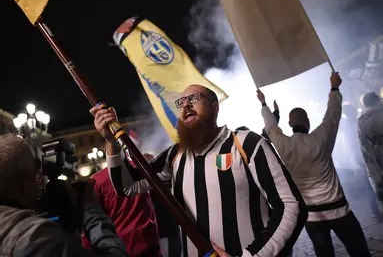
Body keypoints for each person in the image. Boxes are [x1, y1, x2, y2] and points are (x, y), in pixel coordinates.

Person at [91, 84, 308, 257]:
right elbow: (126, 186)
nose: (186, 105)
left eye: (195, 99)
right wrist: (111, 142)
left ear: (215, 107)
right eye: (182, 102)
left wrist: (254, 255)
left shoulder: (247, 144)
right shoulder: (173, 155)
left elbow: (291, 205)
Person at [258, 72, 371, 257]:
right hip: (340, 211)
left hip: (312, 216)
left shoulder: (284, 146)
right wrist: (334, 87)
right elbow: (332, 115)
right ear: (308, 123)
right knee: (360, 252)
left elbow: (271, 128)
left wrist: (264, 105)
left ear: (289, 123)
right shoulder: (321, 139)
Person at [0, 134, 128, 257]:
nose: (39, 184)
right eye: (36, 174)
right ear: (24, 183)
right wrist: (91, 208)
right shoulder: (36, 237)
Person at [81, 154, 161, 256]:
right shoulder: (140, 169)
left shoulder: (96, 181)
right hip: (149, 241)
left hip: (122, 247)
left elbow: (93, 216)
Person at [358, 92, 383, 215]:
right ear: (377, 101)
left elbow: (364, 149)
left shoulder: (361, 121)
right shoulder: (380, 115)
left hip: (376, 169)